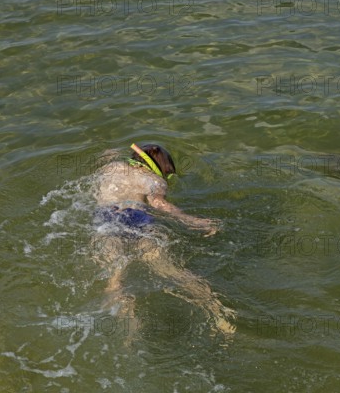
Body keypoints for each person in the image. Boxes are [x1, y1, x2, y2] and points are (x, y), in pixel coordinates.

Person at [91, 143, 235, 336]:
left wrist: (109, 152)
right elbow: (159, 203)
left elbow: (102, 160)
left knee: (115, 279)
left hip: (107, 219)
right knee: (174, 271)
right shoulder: (154, 180)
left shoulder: (110, 168)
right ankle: (217, 311)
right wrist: (192, 221)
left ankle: (130, 329)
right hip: (138, 219)